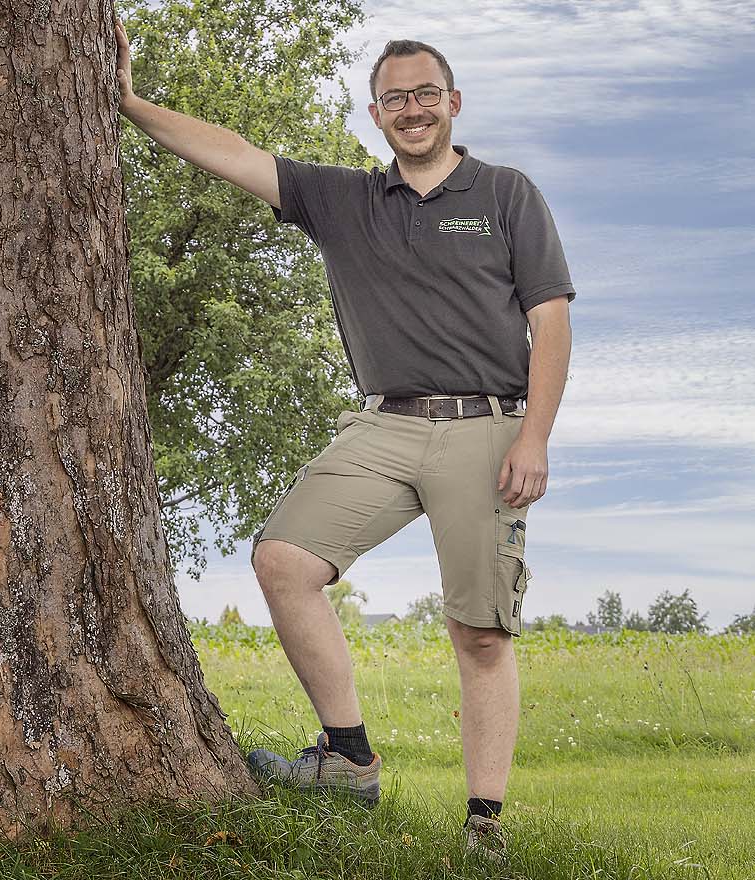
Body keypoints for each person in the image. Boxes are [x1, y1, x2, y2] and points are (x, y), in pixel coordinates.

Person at [116, 23, 573, 860]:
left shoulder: (507, 195)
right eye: (395, 97)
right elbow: (233, 152)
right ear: (376, 113)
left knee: (479, 633)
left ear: (453, 103)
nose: (412, 109)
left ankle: (485, 823)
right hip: (384, 422)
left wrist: (534, 437)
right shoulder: (345, 200)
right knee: (283, 560)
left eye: (425, 94)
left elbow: (552, 321)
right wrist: (129, 100)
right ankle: (349, 759)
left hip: (487, 427)